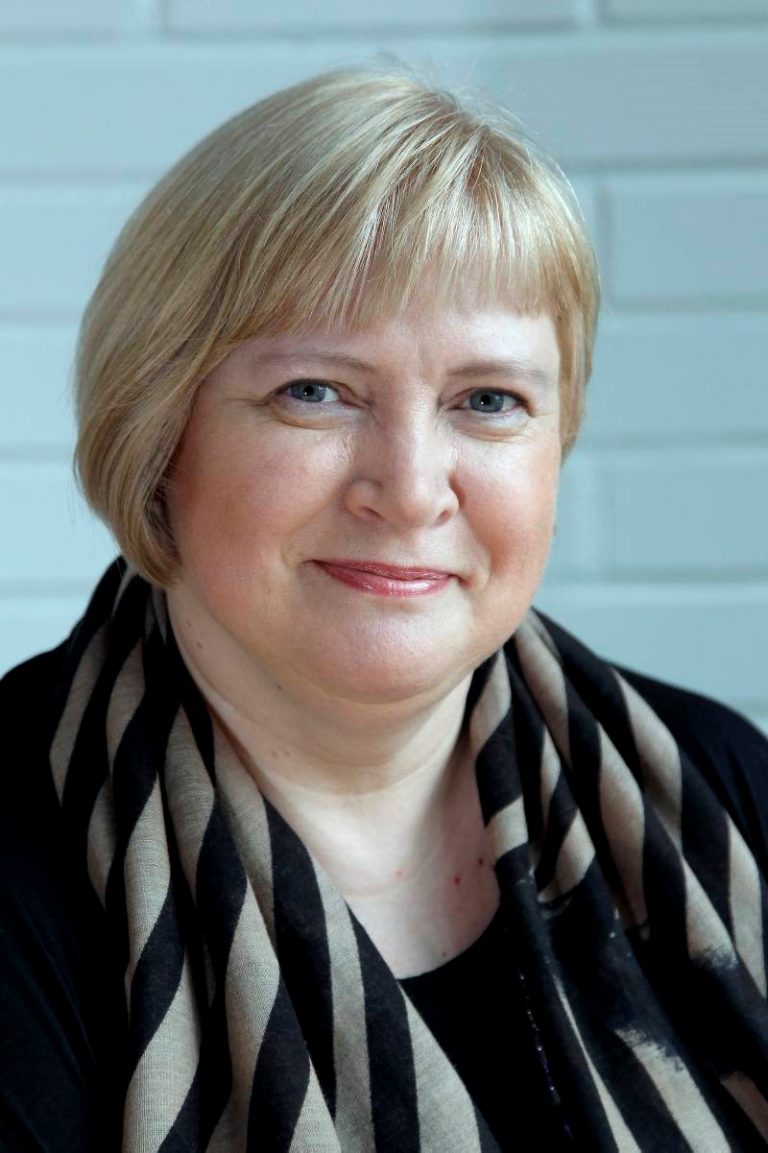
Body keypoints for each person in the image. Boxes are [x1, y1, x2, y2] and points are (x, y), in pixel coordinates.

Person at [2, 66, 768, 1153]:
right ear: (160, 432)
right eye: (314, 391)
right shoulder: (22, 869)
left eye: (488, 401)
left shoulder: (719, 793)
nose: (409, 490)